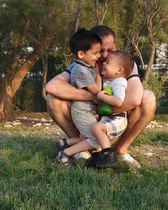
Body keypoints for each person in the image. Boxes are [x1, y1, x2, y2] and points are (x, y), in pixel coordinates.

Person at [46, 25, 156, 168]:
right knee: (53, 99)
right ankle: (84, 146)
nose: (103, 56)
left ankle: (120, 149)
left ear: (115, 45)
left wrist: (104, 108)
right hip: (87, 119)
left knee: (148, 98)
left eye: (109, 50)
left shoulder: (124, 62)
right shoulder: (83, 64)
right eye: (100, 50)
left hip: (112, 121)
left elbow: (135, 98)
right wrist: (91, 97)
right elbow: (51, 87)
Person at [58, 50, 134, 168]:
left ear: (119, 70)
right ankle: (65, 143)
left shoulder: (119, 82)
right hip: (107, 118)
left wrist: (101, 96)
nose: (104, 63)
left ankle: (107, 154)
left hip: (117, 119)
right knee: (88, 137)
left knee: (96, 132)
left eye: (108, 62)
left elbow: (118, 101)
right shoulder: (108, 80)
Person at [54, 28, 102, 165]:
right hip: (82, 111)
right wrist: (98, 74)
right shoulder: (81, 71)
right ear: (81, 54)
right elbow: (96, 90)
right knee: (96, 140)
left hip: (86, 110)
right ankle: (65, 154)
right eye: (95, 53)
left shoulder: (84, 67)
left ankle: (65, 143)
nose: (98, 56)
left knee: (86, 137)